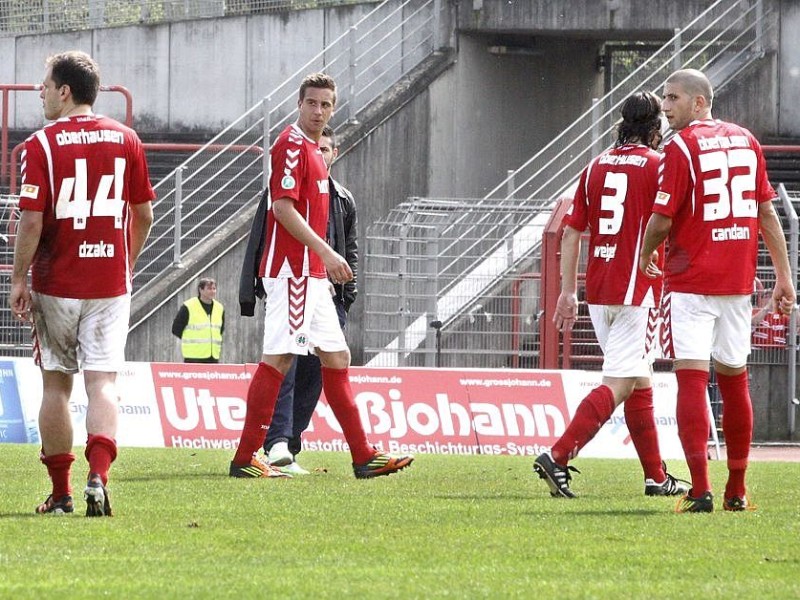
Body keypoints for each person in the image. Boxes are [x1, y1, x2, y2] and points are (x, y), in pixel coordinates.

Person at [231, 72, 413, 479]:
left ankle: (363, 456)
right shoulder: (291, 145)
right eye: (311, 103)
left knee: (337, 356)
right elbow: (282, 208)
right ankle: (244, 459)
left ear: (334, 108)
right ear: (299, 104)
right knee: (277, 360)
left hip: (312, 276)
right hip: (293, 273)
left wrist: (323, 262)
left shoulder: (315, 149)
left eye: (325, 104)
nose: (318, 110)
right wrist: (327, 252)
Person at [638, 69, 796, 513]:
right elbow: (767, 214)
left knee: (691, 377)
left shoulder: (681, 146)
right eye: (664, 99)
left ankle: (701, 490)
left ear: (700, 103)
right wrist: (785, 277)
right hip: (737, 282)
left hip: (692, 281)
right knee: (734, 379)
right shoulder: (747, 140)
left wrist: (644, 253)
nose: (665, 107)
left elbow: (663, 218)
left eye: (673, 98)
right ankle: (738, 491)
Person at [10, 51, 155, 516]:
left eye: (46, 85)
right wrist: (124, 262)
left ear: (65, 91)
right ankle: (99, 475)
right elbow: (144, 214)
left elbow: (31, 223)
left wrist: (17, 278)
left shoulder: (41, 145)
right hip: (110, 283)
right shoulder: (128, 140)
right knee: (103, 384)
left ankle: (62, 493)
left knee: (56, 387)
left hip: (57, 282)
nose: (41, 92)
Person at [533, 91, 689, 499]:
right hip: (638, 289)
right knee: (621, 382)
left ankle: (656, 477)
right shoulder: (659, 165)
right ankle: (558, 455)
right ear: (655, 129)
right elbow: (668, 220)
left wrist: (568, 291)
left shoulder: (595, 165)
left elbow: (571, 232)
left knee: (639, 380)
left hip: (600, 289)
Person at [262, 125, 358, 475]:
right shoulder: (291, 164)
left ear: (335, 154)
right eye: (313, 104)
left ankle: (294, 445)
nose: (323, 151)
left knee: (327, 364)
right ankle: (272, 444)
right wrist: (256, 285)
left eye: (329, 148)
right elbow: (270, 226)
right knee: (286, 361)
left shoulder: (343, 199)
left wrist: (347, 295)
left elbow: (351, 248)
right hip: (296, 278)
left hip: (328, 292)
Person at [171, 277, 225, 363]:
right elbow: (176, 329)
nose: (212, 291)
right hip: (193, 357)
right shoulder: (188, 306)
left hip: (213, 357)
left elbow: (220, 330)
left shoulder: (220, 308)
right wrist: (189, 338)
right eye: (209, 289)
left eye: (214, 289)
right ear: (201, 290)